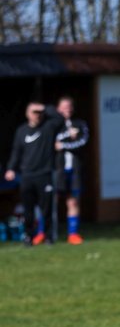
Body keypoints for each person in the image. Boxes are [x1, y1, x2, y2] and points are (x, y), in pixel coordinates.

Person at [6, 101, 66, 246]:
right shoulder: (21, 131)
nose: (37, 115)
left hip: (44, 174)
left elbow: (60, 118)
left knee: (46, 209)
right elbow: (16, 151)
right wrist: (11, 168)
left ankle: (48, 236)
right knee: (28, 210)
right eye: (34, 112)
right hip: (27, 175)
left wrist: (44, 107)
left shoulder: (48, 128)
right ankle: (28, 236)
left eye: (39, 113)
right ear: (27, 114)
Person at [52, 96, 89, 245]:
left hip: (74, 170)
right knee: (51, 201)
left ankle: (73, 234)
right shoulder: (52, 126)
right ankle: (45, 232)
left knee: (73, 202)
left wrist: (63, 145)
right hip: (57, 170)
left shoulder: (79, 124)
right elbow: (50, 145)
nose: (67, 109)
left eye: (69, 106)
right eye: (63, 106)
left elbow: (83, 142)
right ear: (58, 109)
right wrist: (67, 139)